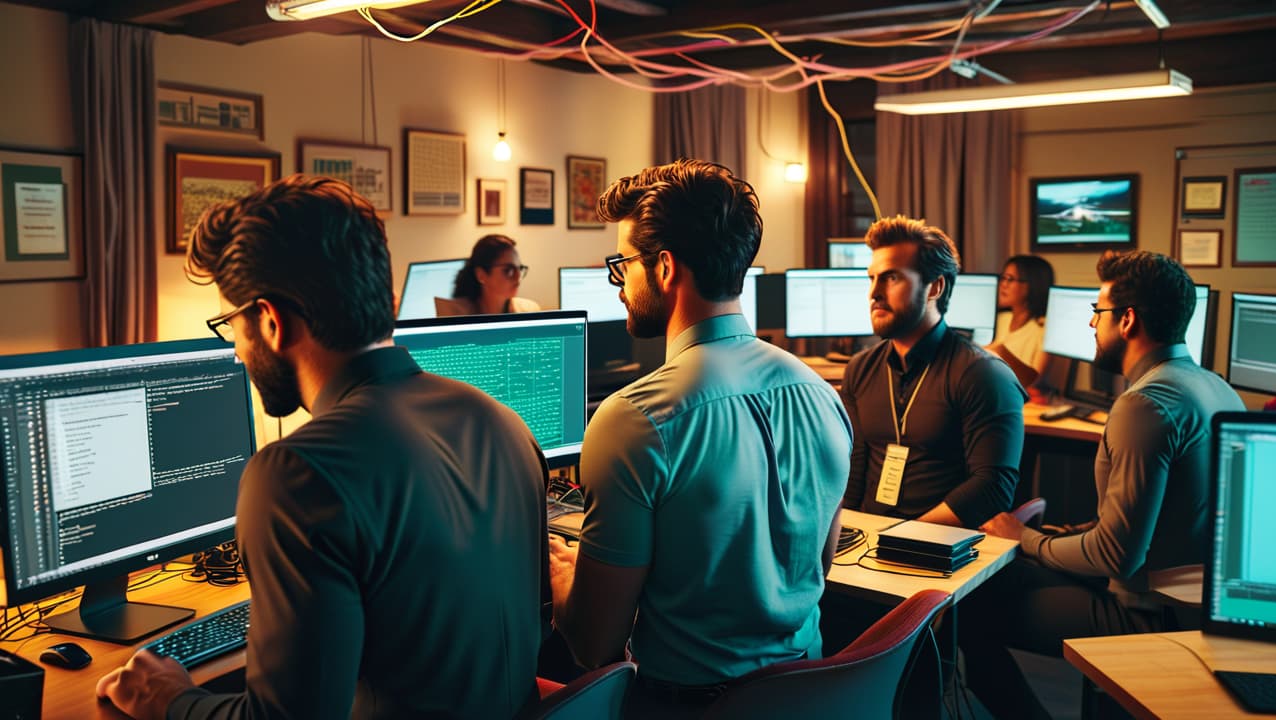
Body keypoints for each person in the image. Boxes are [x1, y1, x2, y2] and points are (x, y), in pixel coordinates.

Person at [95, 175, 550, 719]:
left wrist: (168, 698)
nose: (237, 351)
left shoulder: (298, 473)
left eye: (230, 326)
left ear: (270, 320)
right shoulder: (497, 417)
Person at [547, 159, 852, 715]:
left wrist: (565, 579)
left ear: (664, 268)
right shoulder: (823, 396)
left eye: (622, 266)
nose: (618, 285)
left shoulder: (635, 418)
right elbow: (816, 566)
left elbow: (595, 644)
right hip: (811, 695)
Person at [961, 250, 1245, 720]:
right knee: (1012, 576)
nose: (1092, 324)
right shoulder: (1213, 386)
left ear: (1127, 319)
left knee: (971, 611)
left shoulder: (1144, 405)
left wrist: (1027, 539)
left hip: (1153, 614)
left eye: (1098, 312)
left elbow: (1117, 556)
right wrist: (1051, 539)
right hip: (1197, 602)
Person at [840, 216, 1026, 528]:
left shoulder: (984, 375)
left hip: (940, 551)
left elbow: (992, 489)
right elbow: (854, 471)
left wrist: (902, 538)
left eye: (892, 278)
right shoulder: (860, 369)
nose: (874, 292)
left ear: (934, 287)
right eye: (871, 278)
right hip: (866, 543)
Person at [985, 254, 1054, 389]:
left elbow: (1034, 383)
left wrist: (999, 351)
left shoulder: (1044, 329)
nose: (1003, 284)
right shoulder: (1000, 319)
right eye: (1003, 278)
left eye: (1010, 279)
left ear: (1032, 284)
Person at [436, 233, 542, 316]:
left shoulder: (529, 310)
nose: (518, 277)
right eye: (508, 270)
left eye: (520, 268)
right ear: (481, 275)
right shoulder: (454, 315)